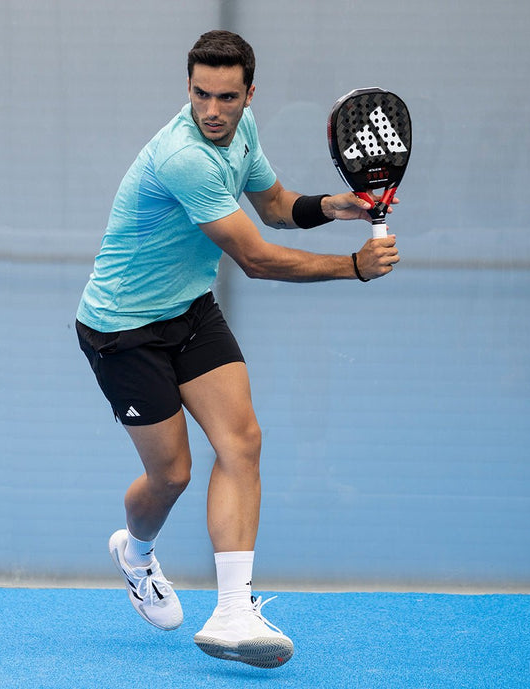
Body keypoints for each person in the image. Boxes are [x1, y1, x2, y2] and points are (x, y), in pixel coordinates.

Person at [76, 30, 399, 669]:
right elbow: (253, 258)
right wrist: (353, 268)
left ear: (249, 94)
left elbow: (275, 207)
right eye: (201, 94)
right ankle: (135, 552)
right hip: (121, 327)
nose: (213, 110)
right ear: (188, 89)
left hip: (189, 310)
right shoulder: (183, 156)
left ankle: (232, 611)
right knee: (173, 473)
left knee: (242, 441)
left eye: (227, 96)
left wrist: (334, 206)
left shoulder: (242, 131)